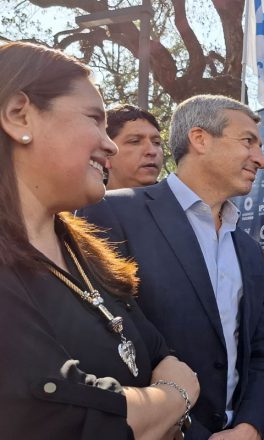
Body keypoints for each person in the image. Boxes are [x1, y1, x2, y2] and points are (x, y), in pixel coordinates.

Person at [0, 42, 198, 439]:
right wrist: (178, 398)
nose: (109, 144)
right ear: (19, 115)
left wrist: (157, 404)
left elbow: (163, 353)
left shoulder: (89, 255)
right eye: (95, 119)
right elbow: (73, 421)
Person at [80, 95, 264, 439]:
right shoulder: (112, 213)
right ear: (200, 139)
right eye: (248, 141)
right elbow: (110, 338)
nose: (261, 160)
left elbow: (263, 348)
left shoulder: (247, 247)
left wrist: (250, 426)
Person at [105, 104, 164, 190]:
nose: (152, 151)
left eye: (156, 142)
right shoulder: (82, 201)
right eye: (135, 141)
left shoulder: (180, 202)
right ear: (106, 154)